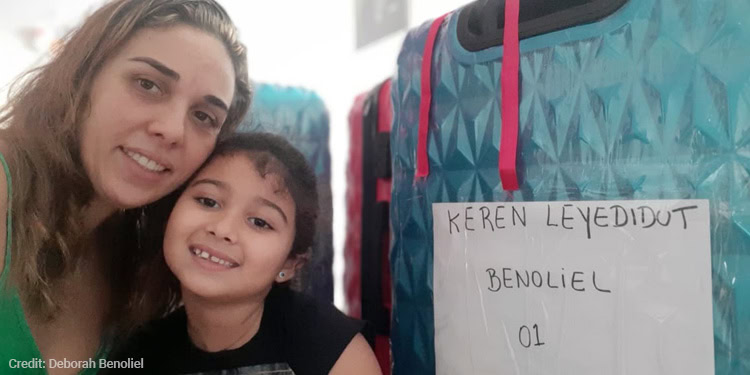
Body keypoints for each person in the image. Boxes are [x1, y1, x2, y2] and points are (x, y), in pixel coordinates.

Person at [0, 0, 251, 373]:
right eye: (148, 84)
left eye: (203, 116)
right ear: (83, 77)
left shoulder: (130, 257)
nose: (171, 130)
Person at [108, 132, 382, 375]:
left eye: (260, 222)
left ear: (289, 263)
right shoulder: (136, 357)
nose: (223, 229)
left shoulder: (330, 350)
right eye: (208, 201)